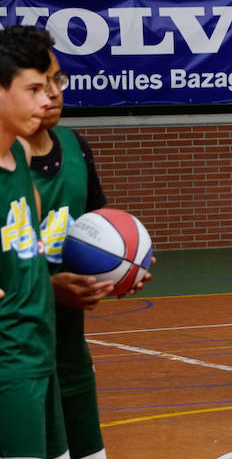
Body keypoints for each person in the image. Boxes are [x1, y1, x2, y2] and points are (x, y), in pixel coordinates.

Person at [22, 48, 111, 459]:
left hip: (70, 354)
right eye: (37, 85)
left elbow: (96, 233)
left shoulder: (76, 149)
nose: (53, 94)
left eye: (57, 80)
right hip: (16, 360)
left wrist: (120, 267)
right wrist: (46, 287)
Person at [0, 25, 64, 459]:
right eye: (33, 88)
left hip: (43, 354)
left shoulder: (20, 155)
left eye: (49, 85)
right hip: (8, 362)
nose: (47, 99)